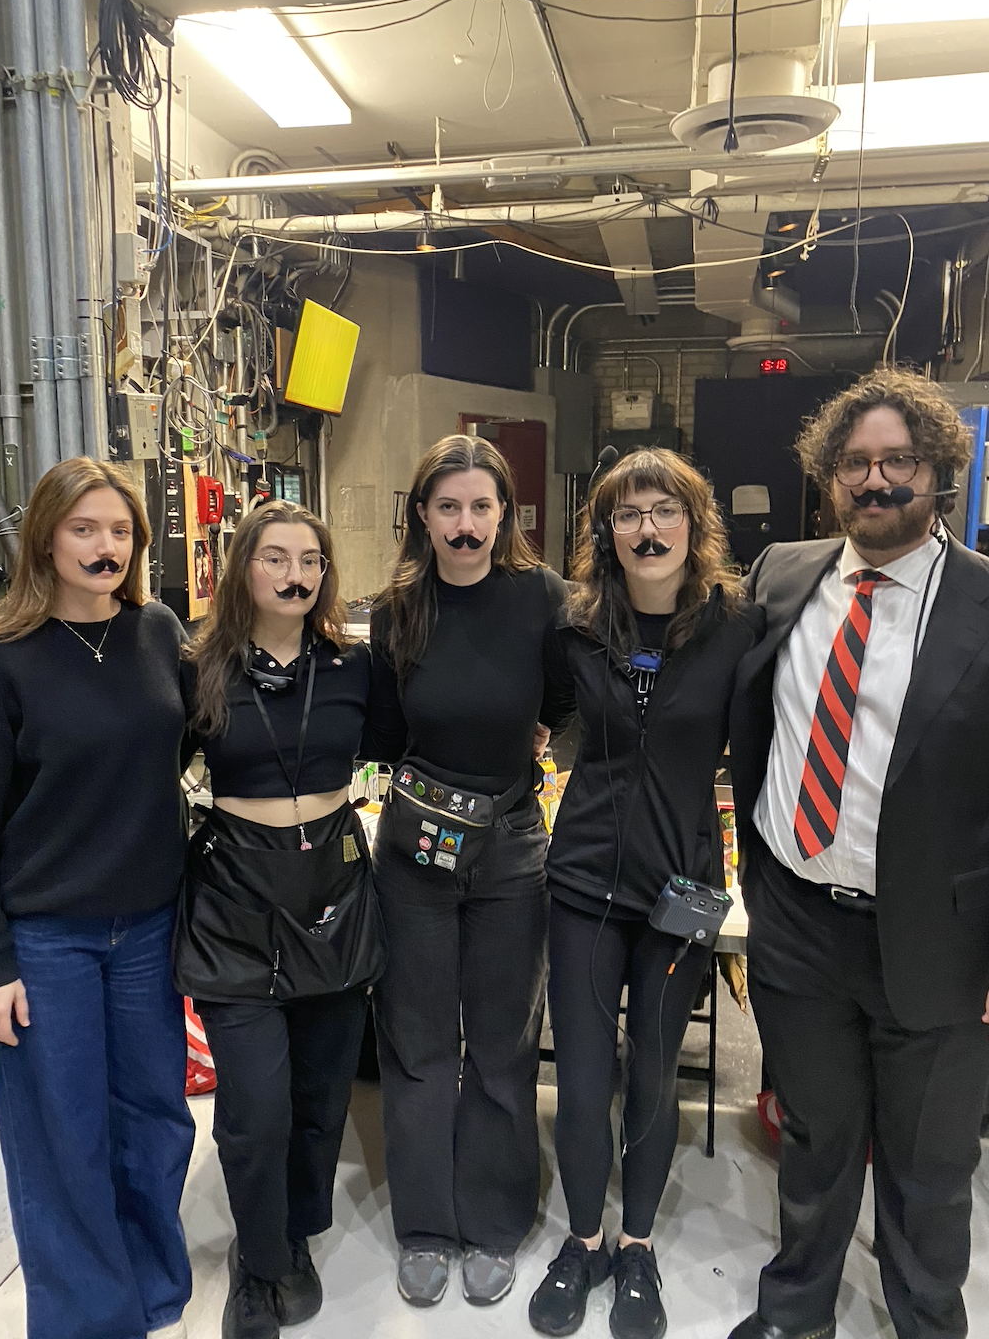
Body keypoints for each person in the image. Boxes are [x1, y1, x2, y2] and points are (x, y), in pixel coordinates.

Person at [728, 368, 989, 1339]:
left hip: (939, 941)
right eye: (854, 462)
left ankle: (927, 1321)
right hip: (797, 923)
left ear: (937, 470)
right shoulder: (781, 575)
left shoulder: (982, 602)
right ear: (827, 475)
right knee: (813, 1138)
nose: (874, 480)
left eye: (897, 462)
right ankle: (796, 1311)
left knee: (929, 1166)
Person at [0, 459, 194, 1339]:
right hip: (47, 940)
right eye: (86, 529)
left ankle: (154, 1288)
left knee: (157, 1119)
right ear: (46, 536)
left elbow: (204, 736)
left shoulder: (158, 632)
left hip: (150, 929)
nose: (106, 547)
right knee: (63, 1136)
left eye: (120, 531)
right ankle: (92, 1318)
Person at [529, 448, 761, 1339]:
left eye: (665, 510)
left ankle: (637, 1248)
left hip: (682, 893)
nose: (648, 528)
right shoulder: (579, 624)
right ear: (606, 530)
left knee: (654, 1082)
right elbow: (540, 719)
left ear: (694, 526)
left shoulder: (736, 623)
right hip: (584, 881)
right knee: (584, 1085)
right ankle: (582, 1243)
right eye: (629, 513)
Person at [176, 500, 389, 1339]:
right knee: (255, 1108)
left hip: (333, 891)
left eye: (309, 560)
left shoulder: (353, 666)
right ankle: (257, 1263)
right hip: (236, 898)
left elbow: (415, 740)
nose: (294, 574)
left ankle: (295, 1237)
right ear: (243, 569)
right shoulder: (200, 667)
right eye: (275, 558)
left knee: (319, 1096)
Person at [367, 434, 567, 1308]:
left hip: (513, 845)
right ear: (422, 517)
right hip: (414, 849)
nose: (465, 523)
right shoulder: (397, 609)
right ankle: (424, 1223)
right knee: (416, 1042)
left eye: (482, 506)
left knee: (501, 1041)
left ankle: (492, 1218)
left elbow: (564, 707)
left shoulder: (542, 599)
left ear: (504, 516)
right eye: (447, 506)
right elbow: (378, 731)